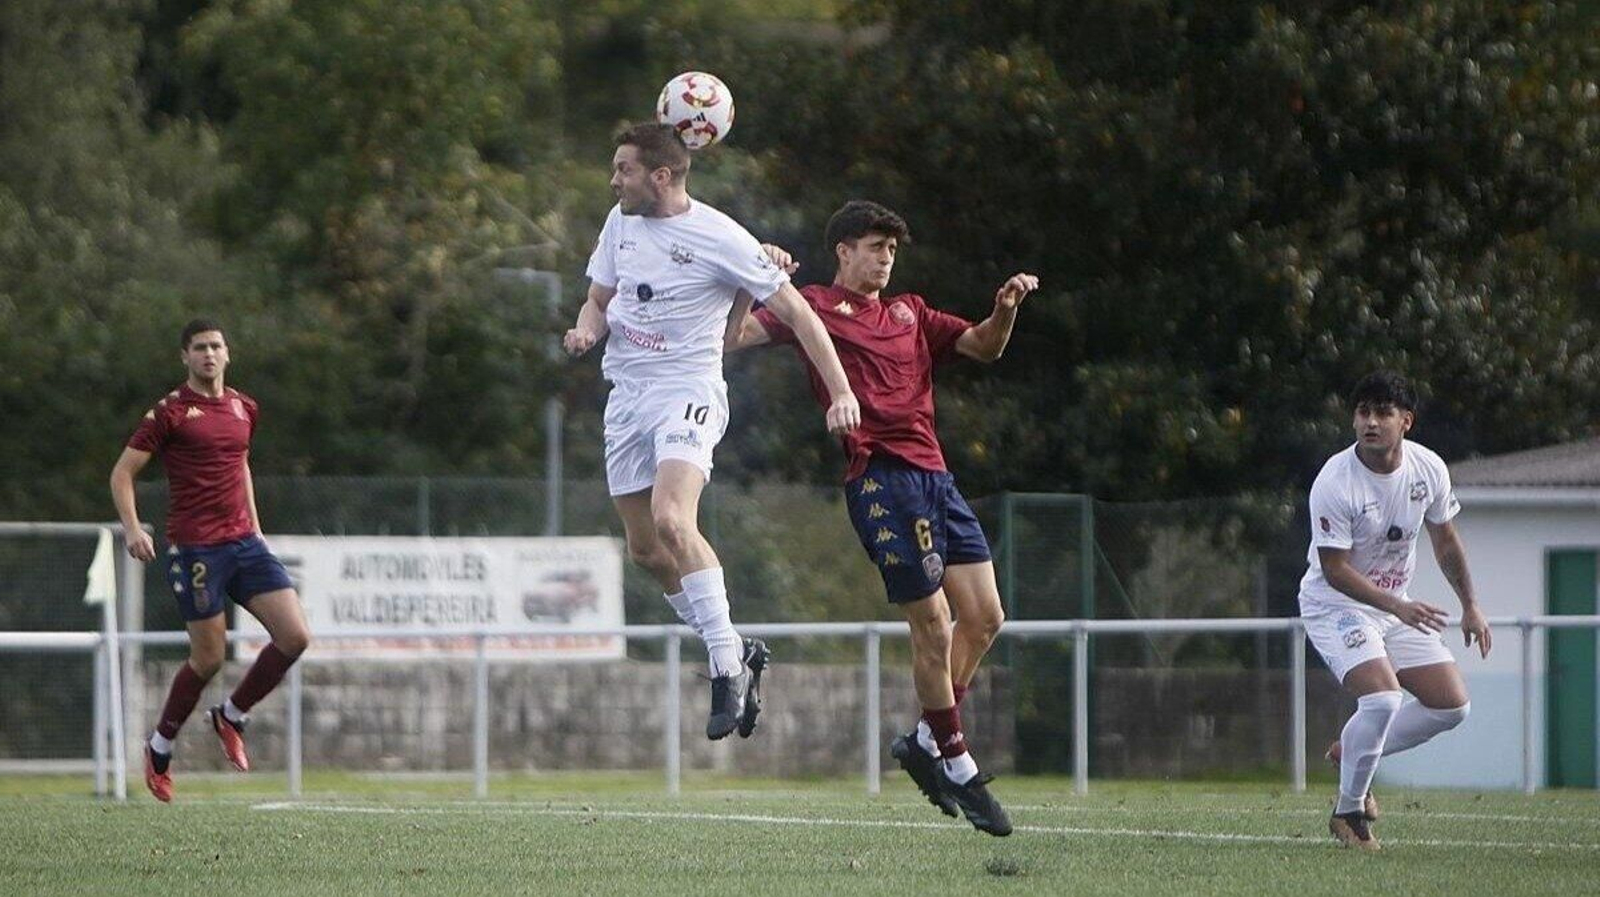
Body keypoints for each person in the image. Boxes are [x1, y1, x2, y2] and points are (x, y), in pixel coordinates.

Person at [728, 200, 1038, 836]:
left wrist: (1004, 310)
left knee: (985, 617)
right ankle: (954, 758)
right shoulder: (810, 302)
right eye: (875, 248)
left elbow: (982, 347)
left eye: (891, 251)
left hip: (937, 477)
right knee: (933, 622)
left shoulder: (911, 312)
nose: (885, 260)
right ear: (843, 250)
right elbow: (736, 338)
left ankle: (928, 736)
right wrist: (746, 280)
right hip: (881, 479)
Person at [563, 124, 861, 740]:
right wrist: (587, 328)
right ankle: (735, 647)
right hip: (627, 398)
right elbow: (597, 298)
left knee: (675, 520)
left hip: (688, 392)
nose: (614, 180)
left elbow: (801, 315)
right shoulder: (619, 223)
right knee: (647, 551)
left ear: (661, 176)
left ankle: (725, 665)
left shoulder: (721, 236)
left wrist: (842, 393)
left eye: (624, 169)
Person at [110, 319, 312, 802]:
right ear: (185, 357)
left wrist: (256, 528)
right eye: (199, 347)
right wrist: (134, 528)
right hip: (197, 548)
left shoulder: (244, 407)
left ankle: (232, 715)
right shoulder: (171, 412)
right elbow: (122, 474)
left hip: (244, 544)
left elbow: (239, 462)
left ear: (228, 353)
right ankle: (160, 748)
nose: (208, 354)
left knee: (295, 636)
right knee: (209, 658)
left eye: (216, 346)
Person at [1298, 371, 1491, 850]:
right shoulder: (1335, 481)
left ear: (1406, 421)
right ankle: (1348, 812)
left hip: (1392, 609)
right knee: (1382, 700)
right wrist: (1398, 606)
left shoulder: (1428, 469)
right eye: (1363, 411)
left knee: (1452, 706)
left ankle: (1353, 751)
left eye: (1383, 412)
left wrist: (1471, 605)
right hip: (1335, 605)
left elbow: (1446, 541)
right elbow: (1336, 569)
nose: (1371, 422)